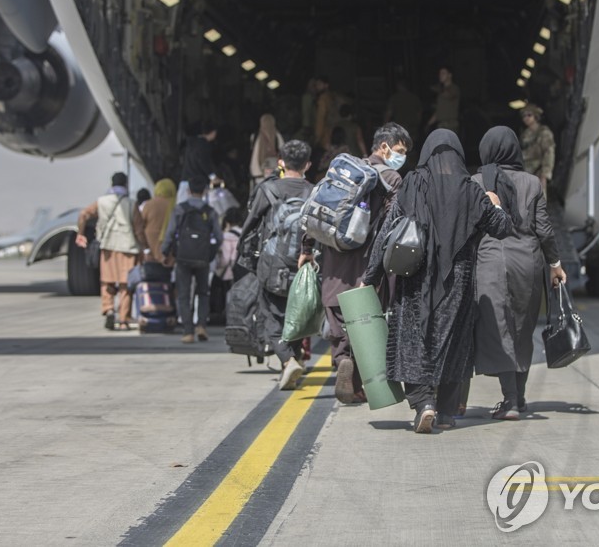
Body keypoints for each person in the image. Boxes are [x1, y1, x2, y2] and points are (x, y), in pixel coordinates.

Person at [362, 130, 513, 433]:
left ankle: (422, 403)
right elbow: (502, 228)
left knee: (412, 342)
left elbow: (389, 232)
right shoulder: (471, 191)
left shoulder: (413, 184)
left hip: (415, 279)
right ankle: (445, 412)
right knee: (453, 345)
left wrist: (372, 276)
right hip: (458, 282)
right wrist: (495, 204)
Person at [300, 122, 413, 404]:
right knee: (364, 321)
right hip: (366, 264)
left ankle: (342, 362)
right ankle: (357, 378)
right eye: (400, 150)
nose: (402, 156)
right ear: (384, 146)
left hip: (333, 261)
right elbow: (392, 226)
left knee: (337, 317)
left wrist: (306, 248)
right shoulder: (392, 179)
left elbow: (317, 210)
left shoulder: (345, 171)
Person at [473, 126, 567, 421]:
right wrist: (555, 264)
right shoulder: (532, 183)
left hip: (490, 260)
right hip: (528, 261)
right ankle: (520, 396)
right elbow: (544, 229)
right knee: (522, 329)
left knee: (498, 329)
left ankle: (510, 399)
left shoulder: (476, 181)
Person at [240, 139, 315, 390]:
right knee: (298, 314)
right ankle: (291, 361)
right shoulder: (314, 192)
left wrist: (245, 255)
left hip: (272, 264)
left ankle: (287, 359)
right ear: (308, 165)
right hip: (304, 263)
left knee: (271, 315)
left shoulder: (268, 190)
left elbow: (250, 226)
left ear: (281, 162)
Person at [76, 172, 145, 331]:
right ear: (126, 184)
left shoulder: (101, 202)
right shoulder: (131, 203)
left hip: (107, 247)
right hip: (127, 248)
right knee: (125, 285)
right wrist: (144, 247)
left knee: (107, 281)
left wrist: (80, 234)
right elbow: (139, 229)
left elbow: (83, 214)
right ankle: (123, 319)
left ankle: (108, 309)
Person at [162, 176, 222, 343]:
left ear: (188, 191)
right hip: (203, 258)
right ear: (204, 191)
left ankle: (188, 331)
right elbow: (219, 237)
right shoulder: (210, 212)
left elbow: (170, 233)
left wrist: (165, 251)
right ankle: (201, 325)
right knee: (203, 292)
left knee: (183, 294)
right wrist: (210, 252)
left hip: (183, 257)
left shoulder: (180, 210)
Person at [139, 179, 176, 264]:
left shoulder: (149, 204)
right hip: (168, 248)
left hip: (150, 245)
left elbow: (141, 225)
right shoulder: (174, 205)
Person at [519, 103, 555, 193]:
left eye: (529, 115)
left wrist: (545, 174)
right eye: (524, 116)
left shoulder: (544, 132)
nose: (526, 118)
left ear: (536, 116)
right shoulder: (525, 134)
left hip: (537, 172)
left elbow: (549, 153)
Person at [178, 121, 218, 203]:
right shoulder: (203, 145)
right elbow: (204, 162)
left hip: (185, 182)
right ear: (213, 132)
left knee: (182, 208)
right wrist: (213, 177)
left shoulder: (190, 144)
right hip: (198, 185)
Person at [249, 113, 285, 187]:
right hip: (275, 174)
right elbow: (284, 152)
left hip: (258, 174)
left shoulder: (255, 136)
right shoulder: (277, 136)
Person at [426, 65, 460, 133]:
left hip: (451, 125)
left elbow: (450, 95)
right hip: (441, 125)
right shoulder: (441, 93)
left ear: (450, 75)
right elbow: (438, 111)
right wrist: (429, 123)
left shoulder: (454, 88)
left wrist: (438, 89)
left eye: (443, 73)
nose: (440, 75)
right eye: (440, 73)